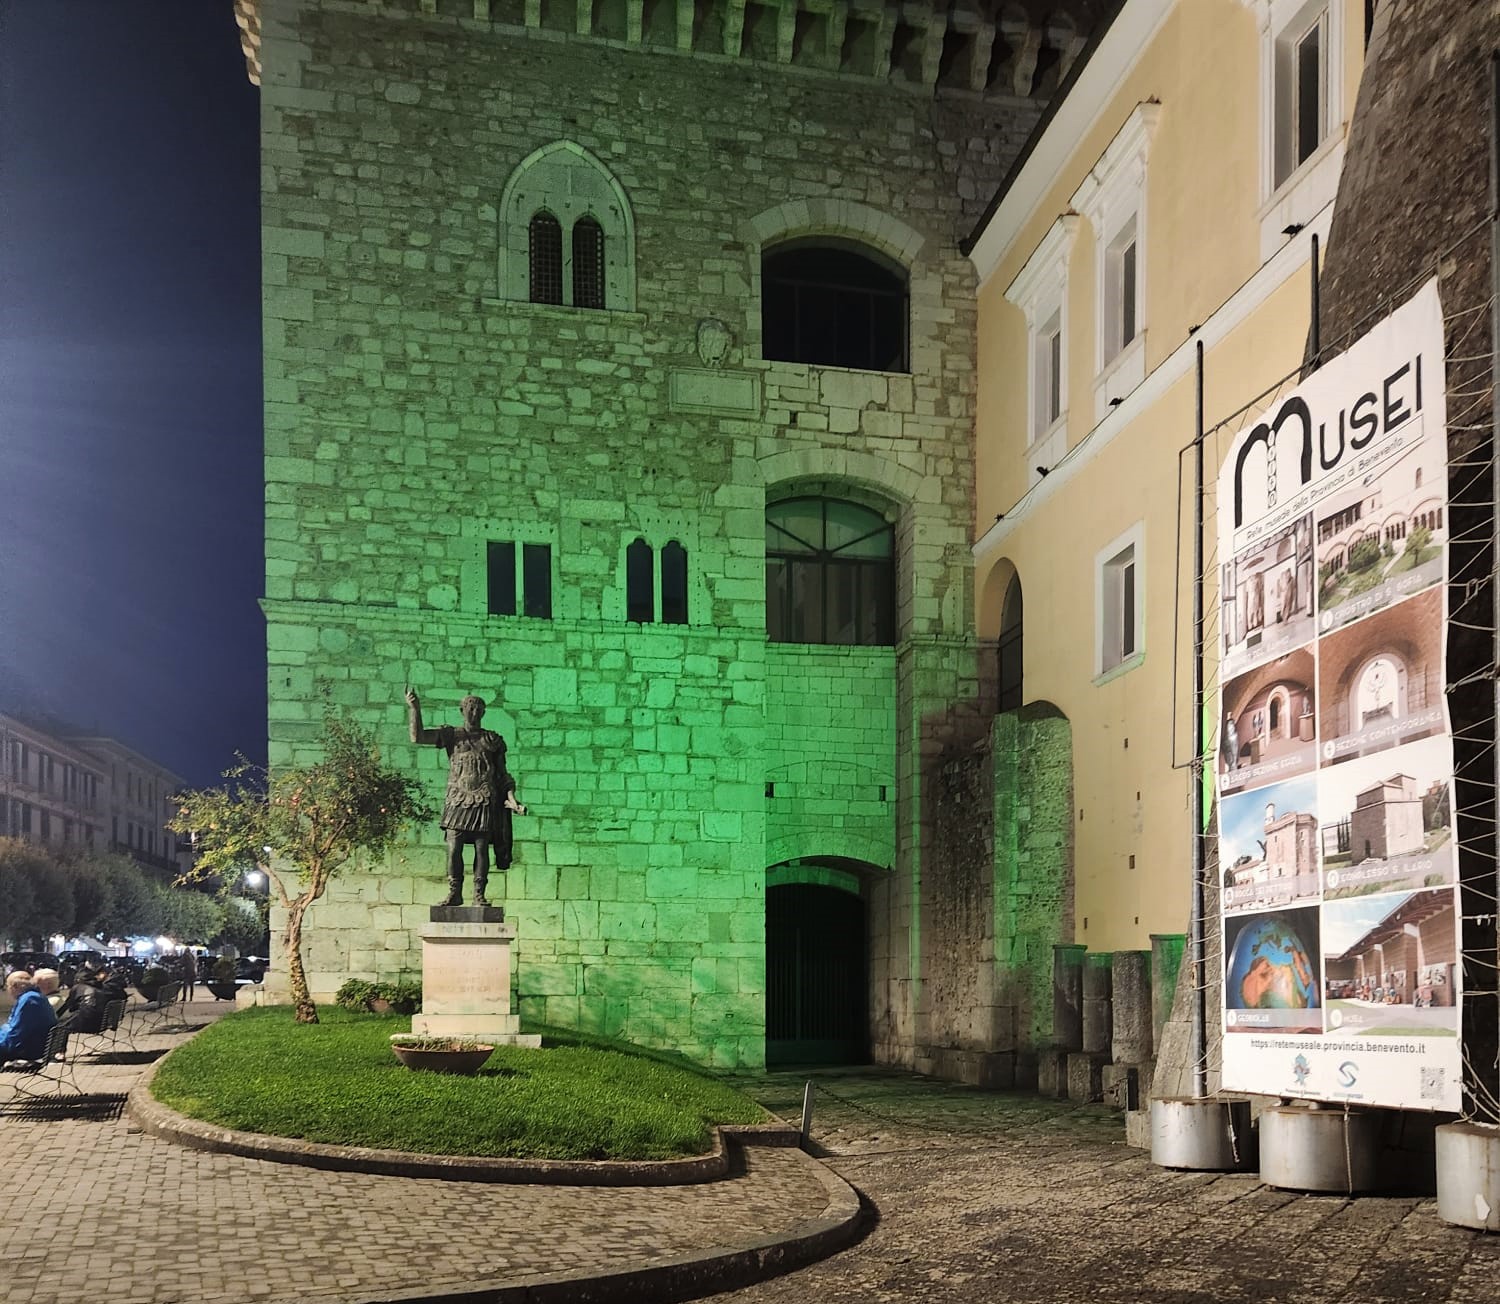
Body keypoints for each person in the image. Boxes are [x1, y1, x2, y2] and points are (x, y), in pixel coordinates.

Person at [406, 687, 526, 907]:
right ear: (462, 710)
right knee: (454, 847)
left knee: (482, 848)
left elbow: (502, 775)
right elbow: (418, 737)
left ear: (483, 713)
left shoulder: (492, 740)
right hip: (458, 798)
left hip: (484, 799)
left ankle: (479, 894)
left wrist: (512, 798)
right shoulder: (452, 735)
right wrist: (415, 708)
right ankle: (455, 892)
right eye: (470, 708)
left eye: (478, 709)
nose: (473, 712)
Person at [0, 971, 57, 1066]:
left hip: (29, 1049)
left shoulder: (28, 1000)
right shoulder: (36, 996)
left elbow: (15, 1034)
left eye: (8, 986)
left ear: (15, 986)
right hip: (37, 1045)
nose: (8, 990)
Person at [53, 967, 114, 1036]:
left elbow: (69, 1006)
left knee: (59, 1023)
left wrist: (55, 1016)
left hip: (84, 1025)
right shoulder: (100, 987)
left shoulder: (78, 987)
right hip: (100, 1024)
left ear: (78, 979)